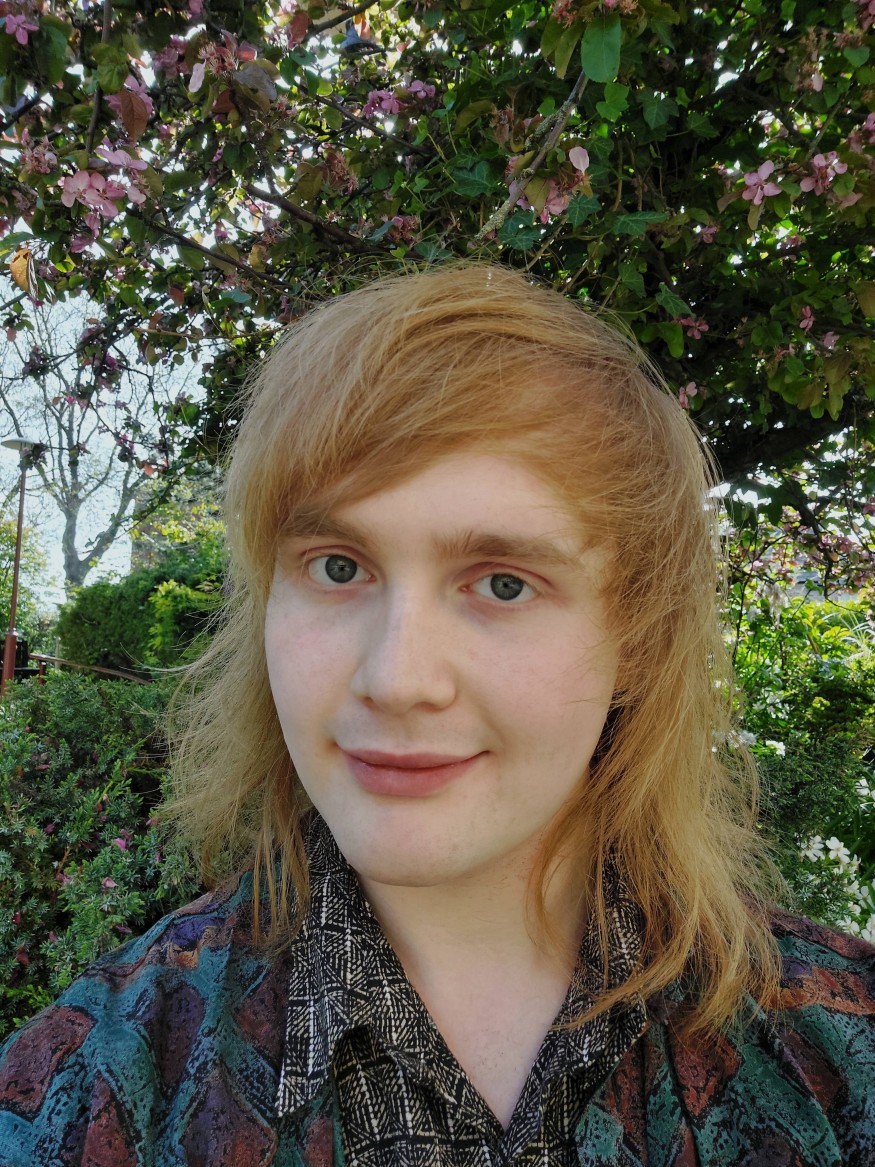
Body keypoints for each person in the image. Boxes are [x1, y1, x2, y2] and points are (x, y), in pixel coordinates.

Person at [0, 263, 873, 1167]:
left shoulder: (836, 1061)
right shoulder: (96, 1087)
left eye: (503, 583)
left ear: (640, 638)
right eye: (337, 566)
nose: (396, 678)